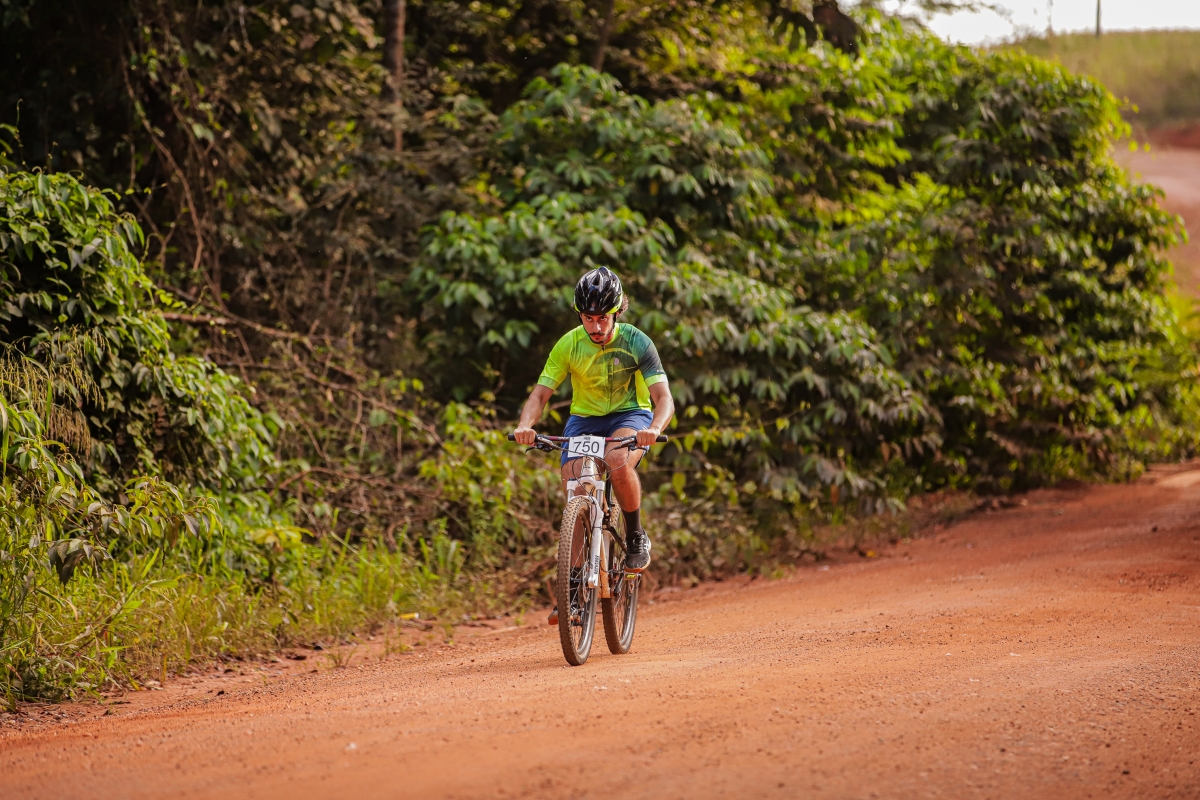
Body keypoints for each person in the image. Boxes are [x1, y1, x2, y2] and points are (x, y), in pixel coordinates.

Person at [513, 267, 674, 615]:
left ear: (617, 312)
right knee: (576, 488)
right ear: (580, 315)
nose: (596, 327)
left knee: (617, 461)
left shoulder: (637, 341)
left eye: (603, 318)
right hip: (584, 420)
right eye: (589, 318)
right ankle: (572, 585)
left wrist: (654, 427)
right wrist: (525, 425)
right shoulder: (569, 344)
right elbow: (539, 395)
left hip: (630, 416)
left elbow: (664, 398)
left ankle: (635, 535)